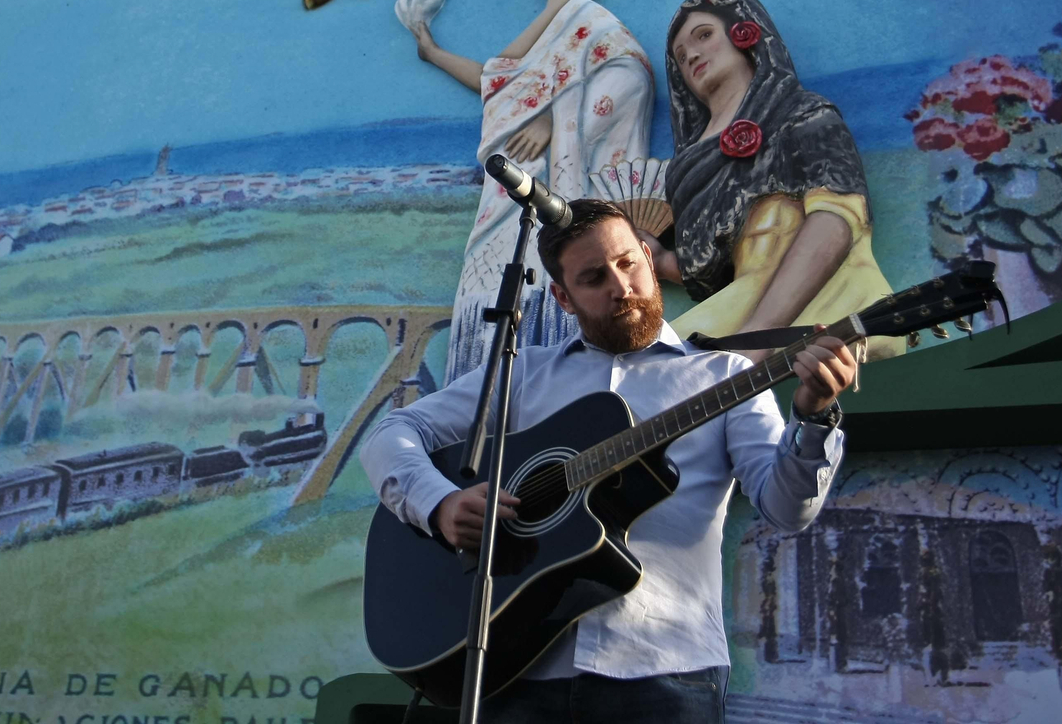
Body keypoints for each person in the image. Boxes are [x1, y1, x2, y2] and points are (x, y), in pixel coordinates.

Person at [359, 199, 858, 723]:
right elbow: (393, 432)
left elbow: (786, 508)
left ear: (647, 255)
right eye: (594, 278)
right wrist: (438, 503)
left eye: (628, 264)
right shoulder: (525, 373)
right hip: (517, 668)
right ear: (563, 297)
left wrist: (815, 419)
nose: (620, 288)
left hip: (667, 672)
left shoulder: (723, 377)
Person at [402, 0, 654, 381]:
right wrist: (431, 50)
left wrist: (555, 121)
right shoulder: (552, 25)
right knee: (490, 301)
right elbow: (498, 83)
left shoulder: (590, 22)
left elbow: (629, 75)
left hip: (548, 188)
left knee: (545, 289)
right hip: (504, 198)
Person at [652, 0, 903, 361]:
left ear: (744, 32)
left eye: (704, 35)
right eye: (681, 55)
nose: (692, 56)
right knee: (652, 370)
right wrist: (654, 258)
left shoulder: (803, 113)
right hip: (745, 295)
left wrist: (760, 332)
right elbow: (709, 264)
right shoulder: (687, 168)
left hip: (829, 291)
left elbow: (835, 220)